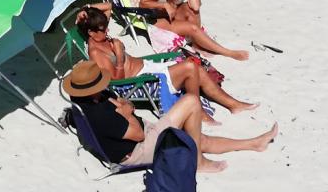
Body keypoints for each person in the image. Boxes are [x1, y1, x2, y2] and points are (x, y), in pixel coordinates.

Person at [63, 61, 277, 172]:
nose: (104, 85)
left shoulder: (89, 98)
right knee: (191, 102)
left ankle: (254, 144)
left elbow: (125, 103)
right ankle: (198, 163)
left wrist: (125, 107)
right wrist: (127, 113)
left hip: (142, 135)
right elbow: (137, 135)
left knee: (197, 139)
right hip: (137, 151)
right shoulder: (98, 113)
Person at [76, 6, 256, 114]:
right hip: (139, 81)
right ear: (91, 33)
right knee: (190, 68)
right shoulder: (97, 53)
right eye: (102, 29)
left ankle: (231, 104)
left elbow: (108, 6)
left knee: (194, 66)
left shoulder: (101, 36)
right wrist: (121, 57)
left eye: (106, 27)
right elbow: (117, 82)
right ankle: (200, 110)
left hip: (147, 67)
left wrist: (85, 10)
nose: (106, 31)